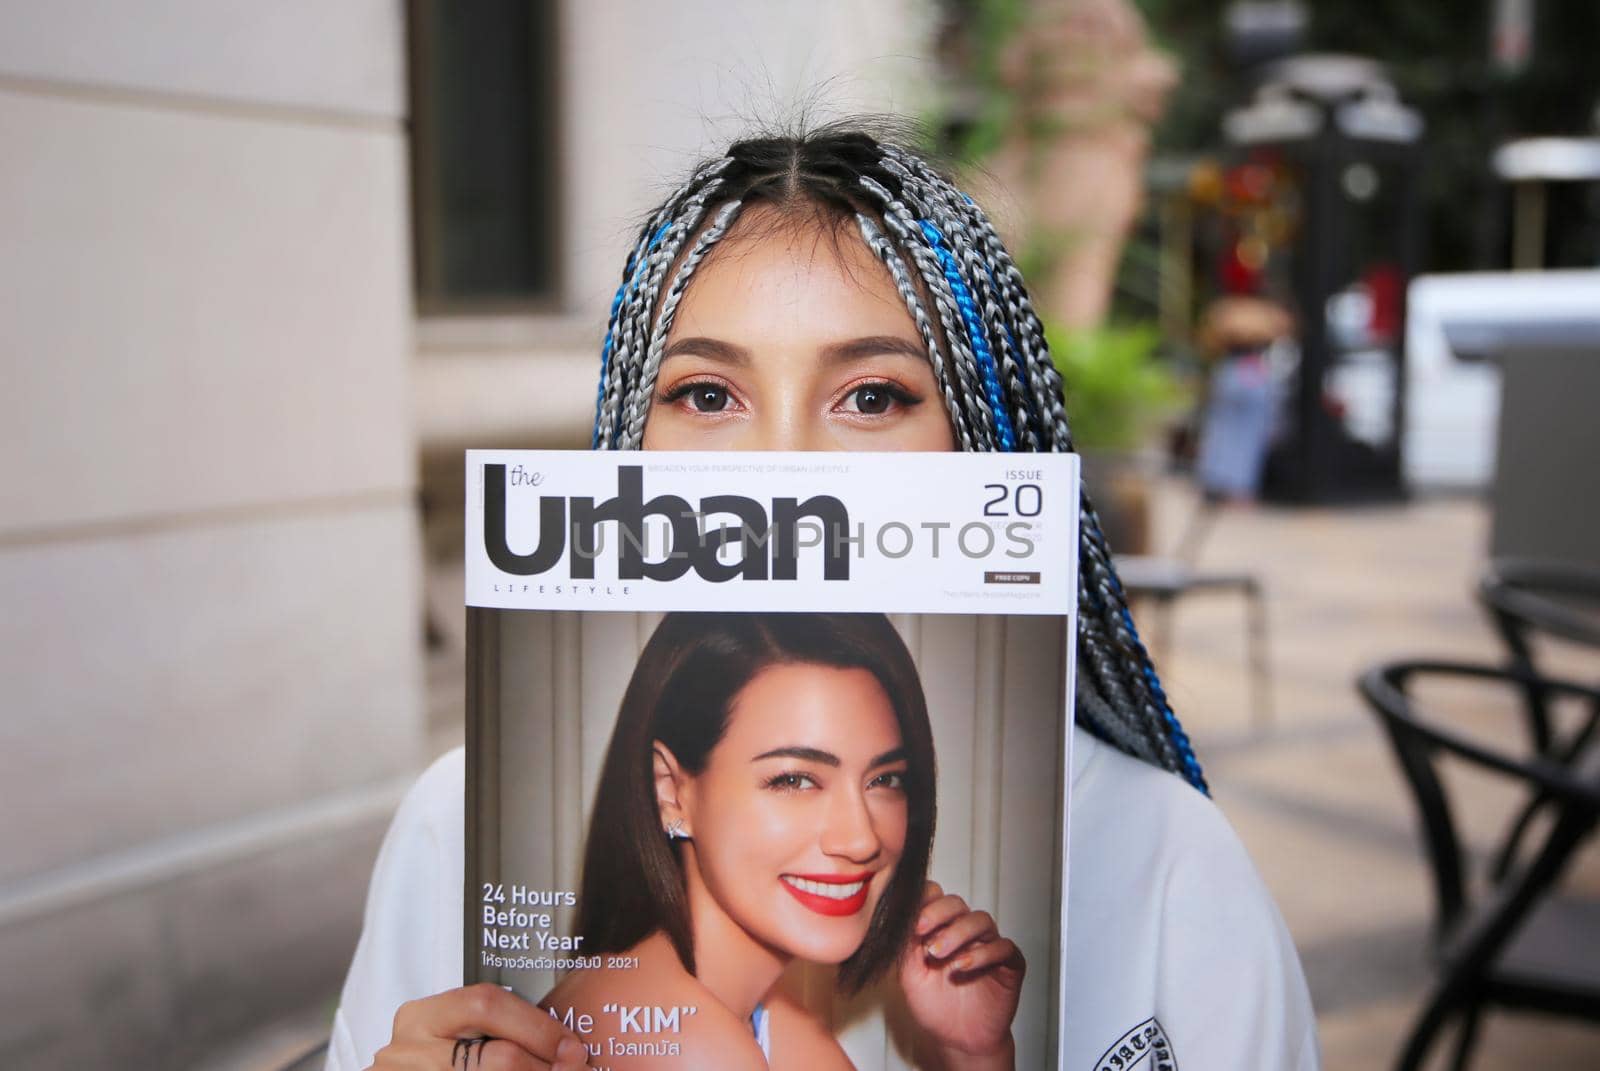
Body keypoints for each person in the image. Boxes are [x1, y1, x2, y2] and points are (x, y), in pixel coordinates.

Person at [330, 123, 1318, 1071]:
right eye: (707, 396)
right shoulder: (449, 828)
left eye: (874, 396)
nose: (785, 467)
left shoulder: (1169, 861)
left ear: (981, 440)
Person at [536, 612, 1022, 1069]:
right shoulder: (688, 1046)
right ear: (671, 790)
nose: (860, 840)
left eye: (885, 780)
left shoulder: (767, 1024)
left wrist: (975, 1053)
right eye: (794, 780)